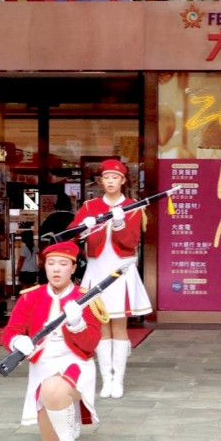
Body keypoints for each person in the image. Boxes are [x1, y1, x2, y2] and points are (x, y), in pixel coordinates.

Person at [2, 241, 105, 441]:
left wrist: (77, 323)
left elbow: (90, 345)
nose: (56, 269)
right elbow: (11, 331)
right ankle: (66, 425)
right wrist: (18, 341)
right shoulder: (30, 297)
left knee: (54, 389)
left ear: (73, 268)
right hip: (42, 367)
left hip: (76, 363)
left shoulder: (86, 298)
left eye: (62, 264)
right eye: (51, 263)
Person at [67, 159, 152, 399]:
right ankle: (106, 379)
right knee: (101, 325)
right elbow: (73, 234)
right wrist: (84, 226)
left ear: (123, 180)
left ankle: (119, 380)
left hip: (120, 269)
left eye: (116, 177)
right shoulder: (90, 206)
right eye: (107, 177)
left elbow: (130, 241)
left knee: (119, 326)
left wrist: (119, 222)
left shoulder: (133, 206)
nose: (111, 181)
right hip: (96, 268)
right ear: (101, 181)